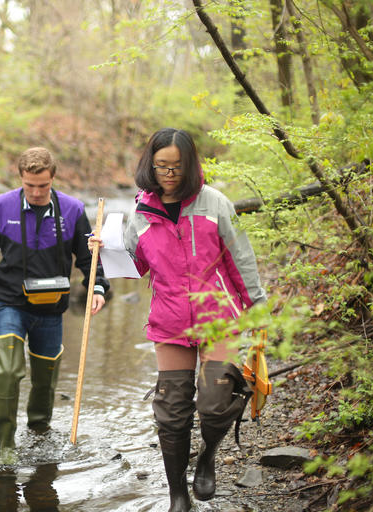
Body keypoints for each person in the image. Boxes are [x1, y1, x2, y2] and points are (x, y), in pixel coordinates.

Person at [89, 128, 266, 511]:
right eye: (161, 166)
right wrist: (104, 250)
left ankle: (206, 457)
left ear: (190, 164)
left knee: (216, 403)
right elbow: (135, 265)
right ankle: (177, 495)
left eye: (177, 166)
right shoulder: (141, 211)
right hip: (169, 319)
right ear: (150, 166)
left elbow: (240, 258)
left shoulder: (214, 203)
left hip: (218, 314)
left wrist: (257, 306)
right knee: (171, 411)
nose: (169, 173)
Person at [0, 146, 110, 460]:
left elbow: (88, 258)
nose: (37, 192)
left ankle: (39, 432)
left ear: (53, 178)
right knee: (5, 370)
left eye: (43, 185)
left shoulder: (71, 210)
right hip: (9, 302)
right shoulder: (1, 206)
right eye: (30, 186)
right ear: (21, 179)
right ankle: (6, 446)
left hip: (51, 308)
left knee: (45, 380)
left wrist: (97, 285)